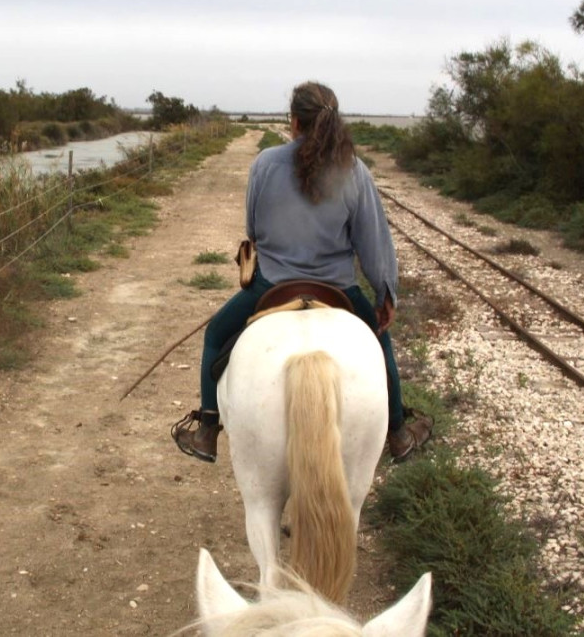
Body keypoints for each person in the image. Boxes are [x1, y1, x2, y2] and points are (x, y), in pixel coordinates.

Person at [173, 81, 432, 464]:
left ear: (293, 121)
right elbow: (373, 243)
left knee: (216, 335)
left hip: (271, 286)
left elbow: (253, 230)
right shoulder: (354, 171)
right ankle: (397, 434)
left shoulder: (264, 163)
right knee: (381, 343)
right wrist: (385, 295)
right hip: (338, 288)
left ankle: (208, 430)